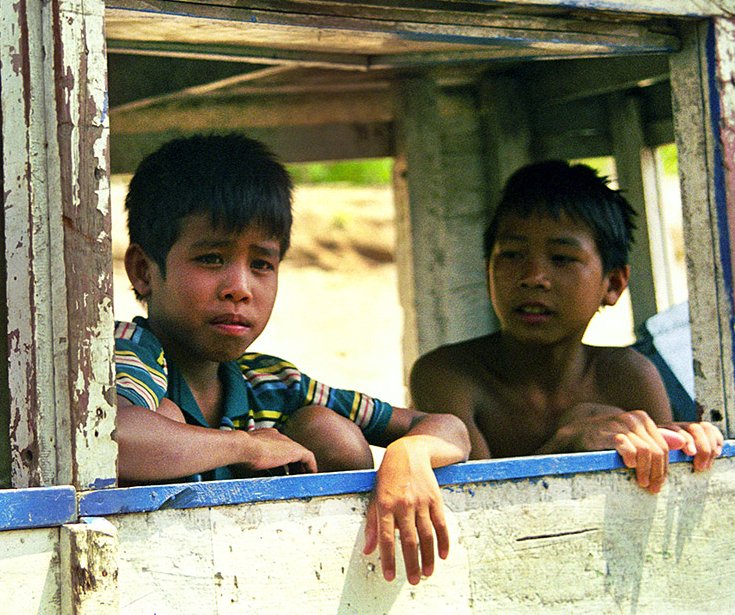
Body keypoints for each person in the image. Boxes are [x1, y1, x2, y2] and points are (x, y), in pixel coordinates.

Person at [114, 133, 470, 585]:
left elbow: (449, 428)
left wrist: (410, 455)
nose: (239, 287)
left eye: (262, 264)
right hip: (158, 581)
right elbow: (116, 438)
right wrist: (251, 445)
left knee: (327, 429)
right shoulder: (132, 351)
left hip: (284, 577)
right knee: (161, 418)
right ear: (144, 271)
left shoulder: (273, 381)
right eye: (210, 258)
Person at [410, 159, 723, 495]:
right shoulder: (449, 375)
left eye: (561, 259)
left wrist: (690, 446)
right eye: (512, 255)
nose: (533, 278)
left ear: (613, 283)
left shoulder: (628, 376)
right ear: (488, 272)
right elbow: (475, 507)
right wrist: (565, 444)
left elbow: (656, 490)